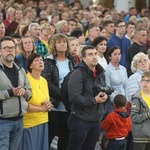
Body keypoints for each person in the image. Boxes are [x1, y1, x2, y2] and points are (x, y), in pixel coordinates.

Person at [67, 45, 108, 150]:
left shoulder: (100, 73)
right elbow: (74, 97)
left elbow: (102, 90)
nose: (94, 57)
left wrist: (105, 96)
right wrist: (94, 100)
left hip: (96, 120)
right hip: (80, 120)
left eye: (95, 54)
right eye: (90, 55)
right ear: (83, 58)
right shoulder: (78, 73)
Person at [42, 33, 75, 150]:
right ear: (54, 45)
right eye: (59, 42)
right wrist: (63, 95)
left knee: (65, 139)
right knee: (49, 138)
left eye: (64, 42)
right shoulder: (48, 62)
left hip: (68, 107)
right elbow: (47, 82)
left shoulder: (72, 61)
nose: (62, 44)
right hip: (54, 106)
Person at [0, 36, 31, 150]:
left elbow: (30, 92)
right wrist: (10, 92)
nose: (10, 50)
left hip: (19, 121)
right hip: (2, 122)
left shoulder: (21, 70)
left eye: (12, 48)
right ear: (0, 51)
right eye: (6, 48)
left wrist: (24, 92)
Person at [18, 53, 53, 150]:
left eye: (41, 60)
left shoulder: (44, 80)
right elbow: (23, 104)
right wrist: (41, 108)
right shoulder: (25, 79)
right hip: (30, 124)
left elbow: (45, 100)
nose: (40, 62)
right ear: (30, 65)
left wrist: (48, 105)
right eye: (36, 60)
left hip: (43, 121)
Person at [105, 46, 128, 114]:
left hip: (123, 100)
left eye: (119, 54)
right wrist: (116, 102)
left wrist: (126, 99)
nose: (117, 56)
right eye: (115, 54)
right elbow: (107, 87)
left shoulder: (123, 69)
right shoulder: (107, 70)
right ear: (110, 56)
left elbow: (126, 86)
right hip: (113, 101)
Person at [131, 71, 150, 150]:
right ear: (140, 82)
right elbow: (134, 117)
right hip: (140, 136)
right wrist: (147, 114)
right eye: (143, 80)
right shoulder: (137, 97)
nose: (145, 83)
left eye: (148, 81)